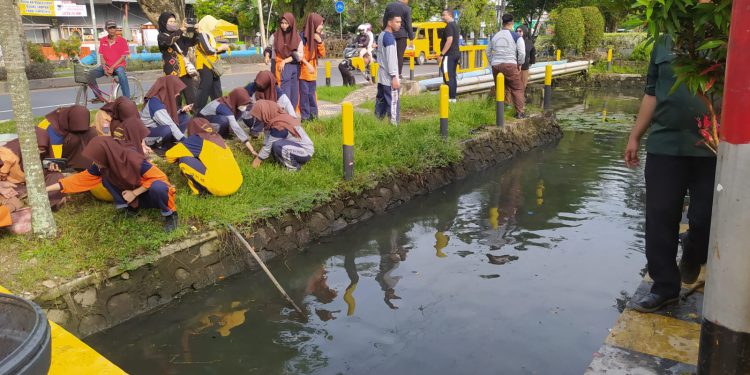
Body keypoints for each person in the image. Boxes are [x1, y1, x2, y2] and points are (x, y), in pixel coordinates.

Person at [624, 36, 717, 313]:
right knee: (660, 217)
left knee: (707, 216)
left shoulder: (724, 30)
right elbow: (652, 93)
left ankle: (694, 250)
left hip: (713, 145)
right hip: (666, 144)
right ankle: (664, 288)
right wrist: (635, 137)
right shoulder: (663, 39)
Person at [46, 137, 179, 232]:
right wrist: (46, 189)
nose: (95, 162)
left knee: (159, 187)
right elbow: (79, 179)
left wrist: (134, 193)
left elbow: (160, 178)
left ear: (106, 154)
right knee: (106, 179)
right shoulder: (101, 165)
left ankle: (170, 215)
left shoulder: (133, 159)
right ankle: (131, 208)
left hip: (150, 193)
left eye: (96, 159)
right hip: (131, 195)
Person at [165, 118, 243, 197]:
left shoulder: (196, 139)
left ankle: (199, 192)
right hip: (237, 182)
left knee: (184, 159)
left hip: (221, 188)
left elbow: (169, 155)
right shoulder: (217, 137)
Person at [249, 100, 314, 171]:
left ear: (265, 113)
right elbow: (267, 139)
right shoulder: (274, 119)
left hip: (305, 152)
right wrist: (262, 150)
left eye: (259, 115)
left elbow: (268, 147)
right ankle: (284, 163)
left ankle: (294, 168)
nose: (258, 118)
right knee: (275, 145)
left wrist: (257, 161)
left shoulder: (280, 126)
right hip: (296, 148)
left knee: (277, 145)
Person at [0, 139, 66, 209]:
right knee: (12, 196)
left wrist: (52, 167)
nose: (38, 152)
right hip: (12, 184)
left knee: (56, 176)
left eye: (41, 150)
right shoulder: (7, 155)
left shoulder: (44, 151)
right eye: (36, 150)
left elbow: (49, 168)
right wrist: (1, 185)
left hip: (35, 181)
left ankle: (50, 203)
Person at [487, 14, 526, 118]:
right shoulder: (516, 36)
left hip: (496, 65)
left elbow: (488, 52)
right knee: (517, 88)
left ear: (502, 23)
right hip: (510, 64)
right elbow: (522, 53)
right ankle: (519, 113)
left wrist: (492, 62)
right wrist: (520, 63)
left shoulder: (495, 36)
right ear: (512, 23)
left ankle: (499, 113)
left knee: (500, 88)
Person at [36, 105, 97, 170]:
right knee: (75, 138)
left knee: (92, 132)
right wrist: (58, 170)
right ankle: (73, 166)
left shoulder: (68, 117)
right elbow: (54, 159)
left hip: (68, 149)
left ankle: (84, 166)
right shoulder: (53, 129)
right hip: (51, 156)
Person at [197, 88, 255, 155]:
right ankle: (218, 137)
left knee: (237, 113)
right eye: (244, 104)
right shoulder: (223, 107)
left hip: (216, 118)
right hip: (203, 120)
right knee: (224, 120)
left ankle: (225, 132)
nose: (245, 106)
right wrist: (251, 149)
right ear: (237, 99)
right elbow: (236, 127)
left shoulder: (234, 103)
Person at [157, 12, 198, 107]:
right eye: (170, 21)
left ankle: (196, 119)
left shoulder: (180, 36)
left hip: (185, 71)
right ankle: (178, 119)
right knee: (176, 99)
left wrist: (196, 31)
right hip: (172, 73)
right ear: (163, 22)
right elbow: (168, 42)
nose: (173, 23)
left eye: (174, 21)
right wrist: (181, 30)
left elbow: (193, 41)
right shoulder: (161, 36)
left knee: (191, 97)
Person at [141, 75, 191, 148]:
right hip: (149, 132)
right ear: (170, 89)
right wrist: (184, 140)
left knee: (184, 117)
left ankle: (173, 141)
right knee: (168, 129)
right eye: (176, 91)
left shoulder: (164, 98)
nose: (178, 94)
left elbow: (167, 115)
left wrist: (180, 111)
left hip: (159, 126)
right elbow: (168, 122)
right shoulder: (155, 102)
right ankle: (163, 146)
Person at [243, 71, 297, 136]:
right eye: (257, 85)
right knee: (262, 106)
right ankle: (255, 130)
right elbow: (239, 99)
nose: (258, 87)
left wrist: (293, 121)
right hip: (250, 117)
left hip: (268, 117)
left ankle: (268, 129)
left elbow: (287, 104)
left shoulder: (275, 90)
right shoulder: (252, 87)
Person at [88, 20, 130, 101]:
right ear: (106, 29)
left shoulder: (122, 41)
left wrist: (112, 67)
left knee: (122, 75)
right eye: (109, 28)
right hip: (106, 66)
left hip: (118, 66)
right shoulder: (103, 40)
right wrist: (104, 67)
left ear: (116, 29)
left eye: (113, 28)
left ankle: (127, 99)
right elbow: (102, 55)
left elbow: (123, 57)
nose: (112, 30)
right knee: (89, 75)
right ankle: (99, 96)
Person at [194, 15, 228, 114]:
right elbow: (208, 50)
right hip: (205, 65)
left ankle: (218, 110)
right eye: (213, 24)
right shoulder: (202, 34)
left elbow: (213, 51)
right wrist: (220, 48)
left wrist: (222, 49)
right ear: (207, 24)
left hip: (212, 66)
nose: (214, 26)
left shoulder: (209, 35)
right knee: (205, 88)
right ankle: (198, 111)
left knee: (216, 90)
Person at [375, 14, 402, 125]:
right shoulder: (389, 38)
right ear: (390, 23)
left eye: (400, 22)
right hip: (389, 77)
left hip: (381, 76)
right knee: (393, 103)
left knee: (381, 101)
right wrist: (394, 77)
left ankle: (377, 123)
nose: (399, 24)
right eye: (397, 22)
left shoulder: (382, 35)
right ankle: (394, 127)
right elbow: (391, 60)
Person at [272, 13, 303, 111]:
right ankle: (285, 114)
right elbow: (271, 49)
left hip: (294, 66)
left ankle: (292, 113)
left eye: (286, 23)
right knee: (285, 91)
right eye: (282, 23)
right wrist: (267, 56)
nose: (284, 25)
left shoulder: (297, 38)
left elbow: (299, 55)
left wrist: (285, 60)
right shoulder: (275, 36)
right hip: (282, 67)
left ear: (291, 24)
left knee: (294, 91)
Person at [299, 13, 326, 122]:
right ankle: (305, 118)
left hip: (312, 72)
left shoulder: (317, 36)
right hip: (303, 72)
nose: (322, 26)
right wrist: (307, 64)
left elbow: (322, 54)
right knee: (304, 96)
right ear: (314, 24)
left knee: (312, 95)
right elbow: (299, 55)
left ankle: (314, 117)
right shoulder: (303, 36)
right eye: (321, 24)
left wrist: (319, 41)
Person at [383, 0, 414, 79]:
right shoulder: (406, 8)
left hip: (390, 33)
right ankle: (398, 74)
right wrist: (411, 38)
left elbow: (385, 20)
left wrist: (384, 32)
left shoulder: (389, 6)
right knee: (399, 56)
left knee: (389, 55)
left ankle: (389, 74)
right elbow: (408, 24)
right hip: (401, 35)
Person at [438, 9, 460, 102]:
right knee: (452, 76)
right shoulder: (455, 25)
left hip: (448, 55)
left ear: (450, 15)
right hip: (455, 53)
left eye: (444, 15)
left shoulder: (449, 26)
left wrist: (442, 54)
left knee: (447, 76)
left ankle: (450, 98)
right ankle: (453, 97)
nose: (442, 17)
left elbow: (449, 40)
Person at [516, 25, 536, 94]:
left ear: (524, 32)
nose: (518, 33)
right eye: (517, 31)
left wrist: (531, 62)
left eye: (520, 31)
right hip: (514, 67)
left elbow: (533, 53)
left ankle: (520, 102)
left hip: (524, 68)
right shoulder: (514, 41)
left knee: (522, 87)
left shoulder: (528, 42)